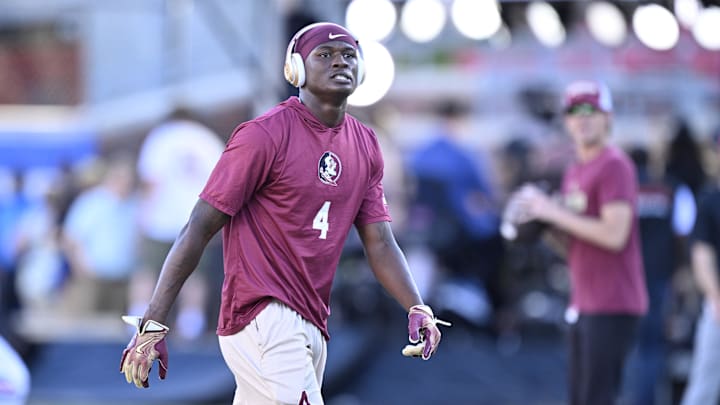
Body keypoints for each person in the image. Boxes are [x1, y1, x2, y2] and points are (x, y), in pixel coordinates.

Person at [119, 22, 448, 404]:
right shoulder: (264, 135)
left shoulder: (365, 142)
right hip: (264, 313)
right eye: (324, 55)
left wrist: (416, 304)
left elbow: (380, 240)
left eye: (348, 55)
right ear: (296, 69)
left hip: (312, 317)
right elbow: (198, 227)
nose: (339, 62)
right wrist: (153, 322)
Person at [511, 80, 648, 405]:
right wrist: (542, 224)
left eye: (591, 110)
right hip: (585, 302)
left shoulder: (615, 165)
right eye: (574, 112)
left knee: (597, 398)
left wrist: (552, 212)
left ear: (608, 118)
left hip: (613, 303)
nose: (582, 119)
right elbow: (576, 246)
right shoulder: (575, 171)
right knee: (580, 398)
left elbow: (615, 235)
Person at [130, 106, 226, 341]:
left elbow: (150, 182)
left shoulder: (161, 138)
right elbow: (223, 185)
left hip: (160, 219)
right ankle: (190, 324)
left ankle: (138, 325)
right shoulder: (207, 140)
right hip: (197, 220)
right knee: (194, 275)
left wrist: (141, 219)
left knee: (148, 271)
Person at [680, 130, 720, 405]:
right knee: (703, 389)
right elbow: (701, 255)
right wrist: (716, 297)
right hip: (718, 307)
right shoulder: (710, 200)